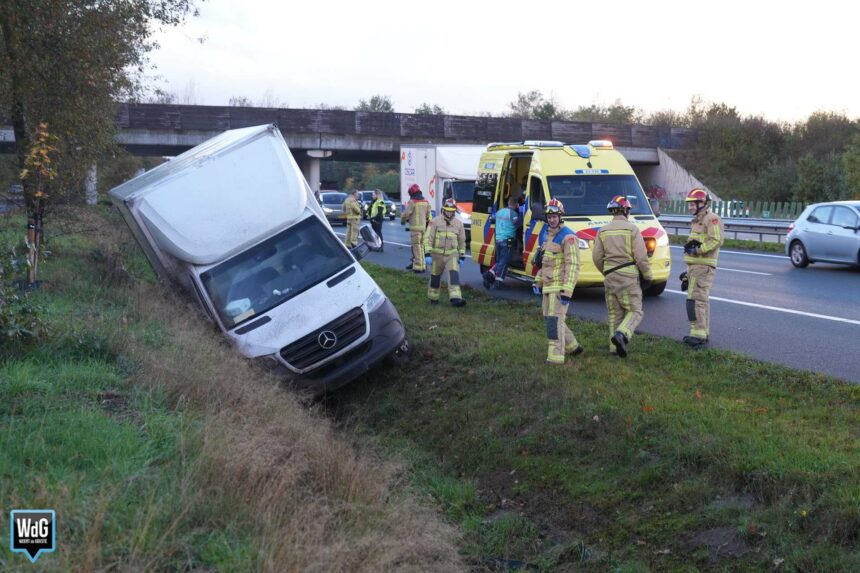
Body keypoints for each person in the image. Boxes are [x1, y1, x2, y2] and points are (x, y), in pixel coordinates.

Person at [592, 195, 653, 358]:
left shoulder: (602, 230)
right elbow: (641, 257)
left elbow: (597, 258)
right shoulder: (632, 229)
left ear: (613, 211)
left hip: (610, 278)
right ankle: (622, 334)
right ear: (626, 210)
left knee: (614, 314)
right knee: (635, 311)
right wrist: (648, 276)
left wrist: (606, 271)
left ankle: (613, 350)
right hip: (628, 278)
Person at [532, 198, 582, 364]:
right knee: (550, 319)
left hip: (559, 288)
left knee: (554, 321)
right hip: (547, 287)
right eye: (549, 216)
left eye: (555, 216)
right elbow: (545, 264)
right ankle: (573, 346)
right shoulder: (548, 237)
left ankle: (555, 357)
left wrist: (567, 291)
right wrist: (537, 281)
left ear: (561, 216)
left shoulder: (568, 237)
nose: (552, 219)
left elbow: (573, 266)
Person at [682, 188, 724, 348]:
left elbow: (716, 240)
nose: (690, 207)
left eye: (693, 204)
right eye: (689, 204)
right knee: (701, 300)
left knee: (695, 300)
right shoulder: (696, 222)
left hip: (703, 267)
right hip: (696, 268)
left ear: (703, 203)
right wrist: (687, 273)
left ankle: (698, 335)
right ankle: (702, 333)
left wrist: (698, 250)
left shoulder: (712, 219)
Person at [426, 198, 466, 306]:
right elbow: (428, 238)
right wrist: (427, 254)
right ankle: (433, 298)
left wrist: (462, 256)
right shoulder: (434, 221)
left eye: (452, 211)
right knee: (435, 277)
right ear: (444, 209)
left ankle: (456, 298)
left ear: (454, 211)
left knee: (454, 275)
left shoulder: (459, 224)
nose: (449, 213)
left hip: (452, 255)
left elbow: (462, 241)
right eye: (447, 210)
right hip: (436, 255)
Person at [488, 196, 519, 289]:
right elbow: (518, 224)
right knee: (504, 260)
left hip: (498, 239)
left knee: (500, 260)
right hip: (508, 239)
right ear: (516, 205)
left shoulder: (499, 212)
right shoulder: (513, 213)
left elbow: (492, 220)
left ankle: (497, 280)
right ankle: (491, 275)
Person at [400, 183, 432, 273]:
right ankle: (423, 265)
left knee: (416, 247)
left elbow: (406, 214)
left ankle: (418, 267)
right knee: (421, 247)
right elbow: (428, 214)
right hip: (423, 228)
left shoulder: (412, 202)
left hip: (415, 228)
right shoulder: (425, 201)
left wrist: (403, 221)